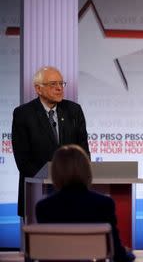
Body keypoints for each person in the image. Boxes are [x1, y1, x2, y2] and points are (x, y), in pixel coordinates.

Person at [11, 66, 90, 217]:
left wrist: (77, 182)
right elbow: (23, 161)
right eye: (53, 84)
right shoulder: (23, 114)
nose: (59, 88)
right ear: (38, 89)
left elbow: (84, 152)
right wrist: (52, 180)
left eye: (61, 84)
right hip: (37, 193)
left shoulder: (74, 110)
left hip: (72, 192)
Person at [35, 144, 134, 262]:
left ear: (55, 173)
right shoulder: (104, 204)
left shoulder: (43, 207)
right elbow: (118, 255)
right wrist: (129, 254)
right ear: (87, 170)